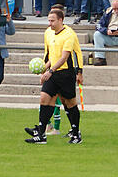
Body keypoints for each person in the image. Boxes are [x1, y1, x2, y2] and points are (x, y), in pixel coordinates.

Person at [24, 8, 83, 144]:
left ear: (61, 20)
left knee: (69, 103)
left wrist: (50, 72)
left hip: (66, 73)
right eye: (49, 20)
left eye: (52, 21)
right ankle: (41, 134)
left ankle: (76, 133)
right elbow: (52, 56)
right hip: (53, 72)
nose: (50, 23)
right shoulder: (48, 33)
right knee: (44, 98)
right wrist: (45, 69)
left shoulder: (68, 34)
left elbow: (64, 57)